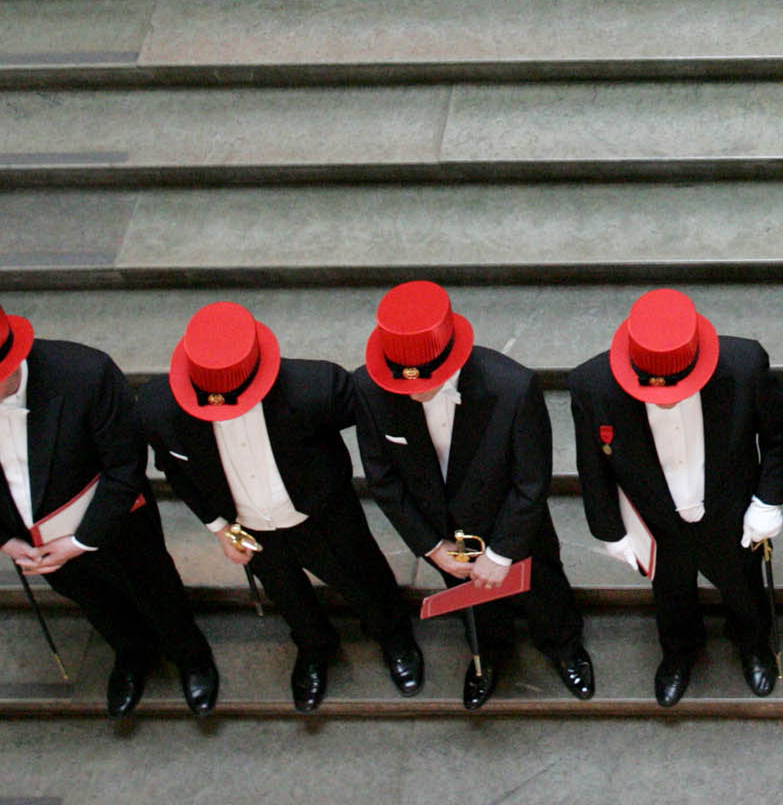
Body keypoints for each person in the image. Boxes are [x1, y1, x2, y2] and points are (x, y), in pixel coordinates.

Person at [139, 301, 422, 713]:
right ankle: (313, 646)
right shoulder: (158, 409)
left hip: (322, 515)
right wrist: (219, 526)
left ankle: (394, 636)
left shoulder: (315, 386)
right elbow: (174, 469)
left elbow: (376, 411)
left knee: (365, 580)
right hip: (249, 529)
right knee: (286, 595)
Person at [351, 280, 593, 711]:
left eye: (425, 382)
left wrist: (501, 555)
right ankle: (490, 656)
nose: (412, 393)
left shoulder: (513, 388)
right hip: (444, 537)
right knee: (478, 613)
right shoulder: (369, 391)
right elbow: (383, 479)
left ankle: (565, 648)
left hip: (513, 529)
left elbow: (531, 481)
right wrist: (431, 547)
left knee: (546, 596)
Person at [568, 289, 783, 707]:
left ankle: (753, 643)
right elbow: (592, 466)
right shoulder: (592, 387)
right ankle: (679, 652)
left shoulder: (744, 367)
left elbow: (778, 439)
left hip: (729, 512)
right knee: (670, 592)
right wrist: (611, 533)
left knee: (744, 586)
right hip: (656, 521)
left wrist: (767, 499)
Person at [0, 302, 218, 718]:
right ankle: (132, 655)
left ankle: (191, 657)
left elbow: (125, 467)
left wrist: (83, 539)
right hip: (35, 543)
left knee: (155, 591)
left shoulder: (86, 374)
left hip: (114, 526)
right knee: (93, 601)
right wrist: (6, 541)